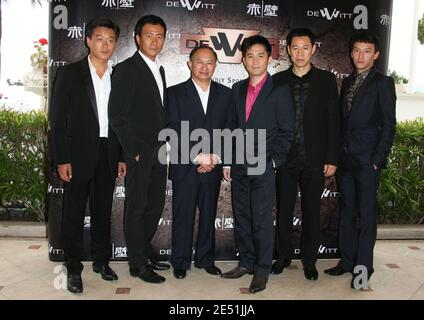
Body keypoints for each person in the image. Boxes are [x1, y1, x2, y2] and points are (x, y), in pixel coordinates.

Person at [50, 18, 125, 294]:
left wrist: (121, 157)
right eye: (100, 38)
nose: (105, 45)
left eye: (111, 40)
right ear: (88, 40)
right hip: (77, 155)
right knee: (73, 212)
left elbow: (120, 122)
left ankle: (102, 261)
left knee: (103, 211)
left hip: (109, 153)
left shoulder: (119, 77)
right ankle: (73, 267)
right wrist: (61, 159)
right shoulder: (70, 73)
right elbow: (57, 121)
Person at [221, 35, 294, 293]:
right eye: (250, 55)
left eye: (260, 55)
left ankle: (262, 270)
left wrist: (274, 161)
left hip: (264, 166)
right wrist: (228, 161)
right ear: (243, 59)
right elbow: (231, 126)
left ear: (269, 58)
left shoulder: (280, 91)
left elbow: (287, 131)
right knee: (242, 217)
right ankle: (247, 262)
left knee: (262, 220)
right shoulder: (238, 89)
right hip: (239, 165)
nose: (255, 60)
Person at [324, 31, 396, 289]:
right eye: (356, 50)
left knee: (366, 217)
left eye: (366, 51)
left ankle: (363, 270)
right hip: (346, 160)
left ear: (375, 55)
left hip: (367, 162)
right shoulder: (349, 81)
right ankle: (347, 261)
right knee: (347, 213)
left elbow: (389, 124)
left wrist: (377, 160)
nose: (360, 55)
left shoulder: (383, 83)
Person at [271, 28, 340, 280]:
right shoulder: (277, 81)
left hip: (315, 158)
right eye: (295, 48)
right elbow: (271, 122)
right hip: (285, 157)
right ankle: (283, 256)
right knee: (284, 209)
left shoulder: (326, 80)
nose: (300, 53)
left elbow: (334, 121)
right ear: (288, 50)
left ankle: (309, 261)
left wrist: (332, 157)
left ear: (313, 49)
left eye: (305, 47)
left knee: (312, 210)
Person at [108, 15, 169, 284]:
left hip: (160, 151)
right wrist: (133, 151)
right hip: (140, 152)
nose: (155, 41)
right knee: (137, 207)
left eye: (159, 36)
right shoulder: (126, 69)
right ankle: (137, 264)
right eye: (149, 35)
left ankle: (144, 249)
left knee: (154, 205)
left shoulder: (160, 69)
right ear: (137, 38)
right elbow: (117, 116)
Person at [166, 46, 234, 279]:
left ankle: (205, 259)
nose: (204, 67)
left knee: (208, 215)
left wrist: (215, 157)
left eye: (210, 63)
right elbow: (173, 129)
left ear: (215, 65)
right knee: (183, 216)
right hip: (185, 166)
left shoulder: (226, 94)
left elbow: (229, 129)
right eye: (199, 62)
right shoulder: (173, 93)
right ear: (189, 64)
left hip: (213, 166)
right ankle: (180, 261)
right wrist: (198, 156)